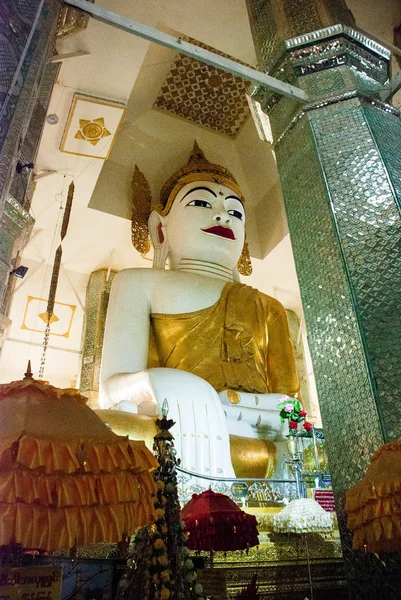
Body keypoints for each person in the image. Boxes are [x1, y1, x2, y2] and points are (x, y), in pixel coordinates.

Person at [100, 144, 300, 478]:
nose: (222, 215)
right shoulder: (136, 283)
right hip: (169, 431)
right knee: (107, 427)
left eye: (235, 212)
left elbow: (291, 407)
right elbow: (111, 388)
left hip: (256, 439)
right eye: (201, 202)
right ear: (160, 228)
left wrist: (230, 404)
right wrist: (162, 382)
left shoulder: (268, 307)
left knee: (312, 446)